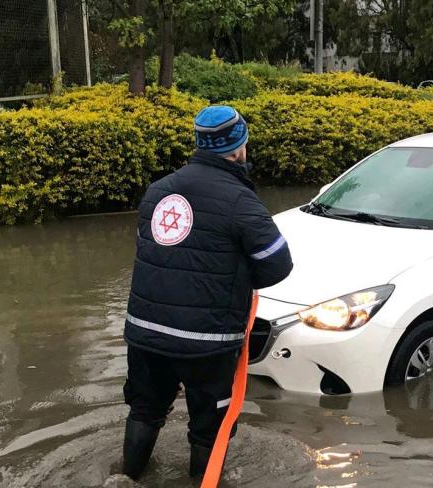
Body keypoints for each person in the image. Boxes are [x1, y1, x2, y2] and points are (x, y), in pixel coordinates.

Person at [121, 105, 293, 480]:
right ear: (239, 147)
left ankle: (125, 477)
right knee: (209, 428)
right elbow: (278, 265)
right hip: (207, 343)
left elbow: (151, 252)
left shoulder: (157, 192)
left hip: (144, 334)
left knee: (144, 410)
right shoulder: (241, 201)